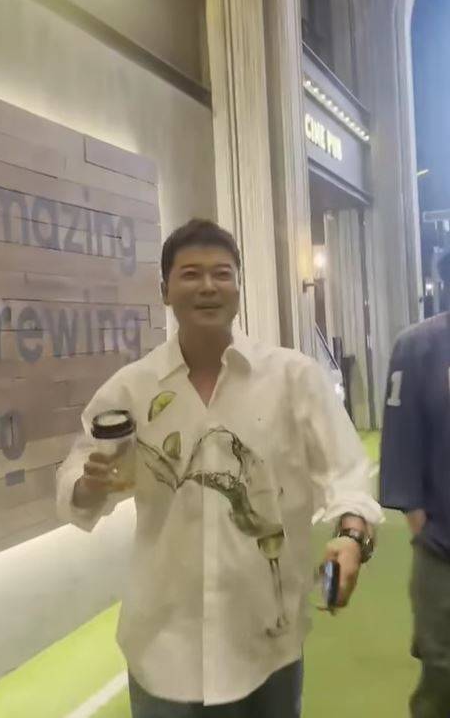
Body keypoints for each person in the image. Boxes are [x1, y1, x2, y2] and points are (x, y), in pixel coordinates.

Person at [57, 219, 381, 717]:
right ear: (165, 291)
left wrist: (352, 535)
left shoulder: (293, 378)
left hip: (266, 638)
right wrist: (88, 484)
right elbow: (78, 480)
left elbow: (347, 472)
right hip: (164, 645)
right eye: (190, 274)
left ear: (237, 287)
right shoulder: (133, 388)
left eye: (222, 274)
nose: (208, 286)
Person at [380, 250, 450, 718]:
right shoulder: (419, 347)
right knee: (442, 677)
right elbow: (402, 445)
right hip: (443, 551)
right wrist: (421, 525)